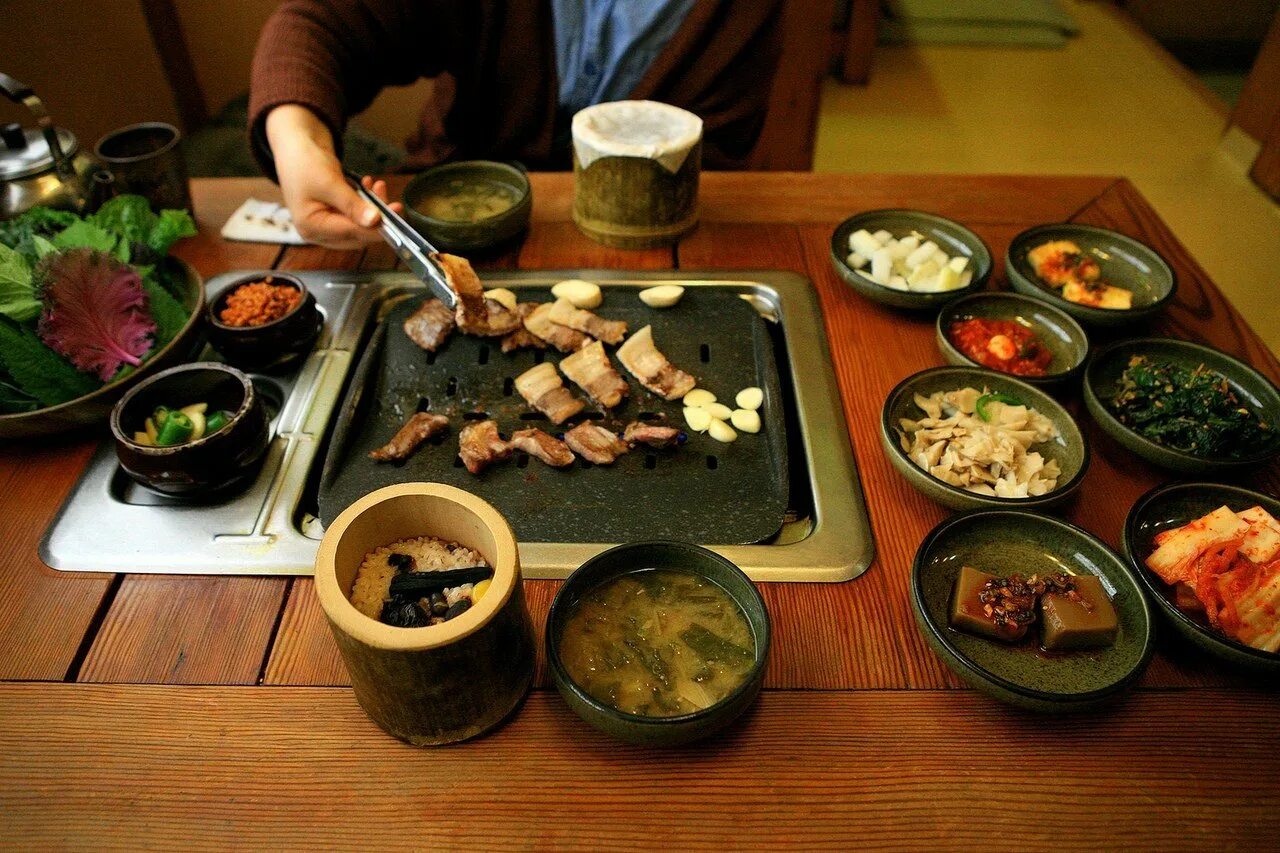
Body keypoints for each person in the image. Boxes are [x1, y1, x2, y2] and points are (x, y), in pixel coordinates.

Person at [249, 0, 783, 248]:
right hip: (452, 212)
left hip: (646, 235)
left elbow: (716, 158)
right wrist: (298, 142)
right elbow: (319, 25)